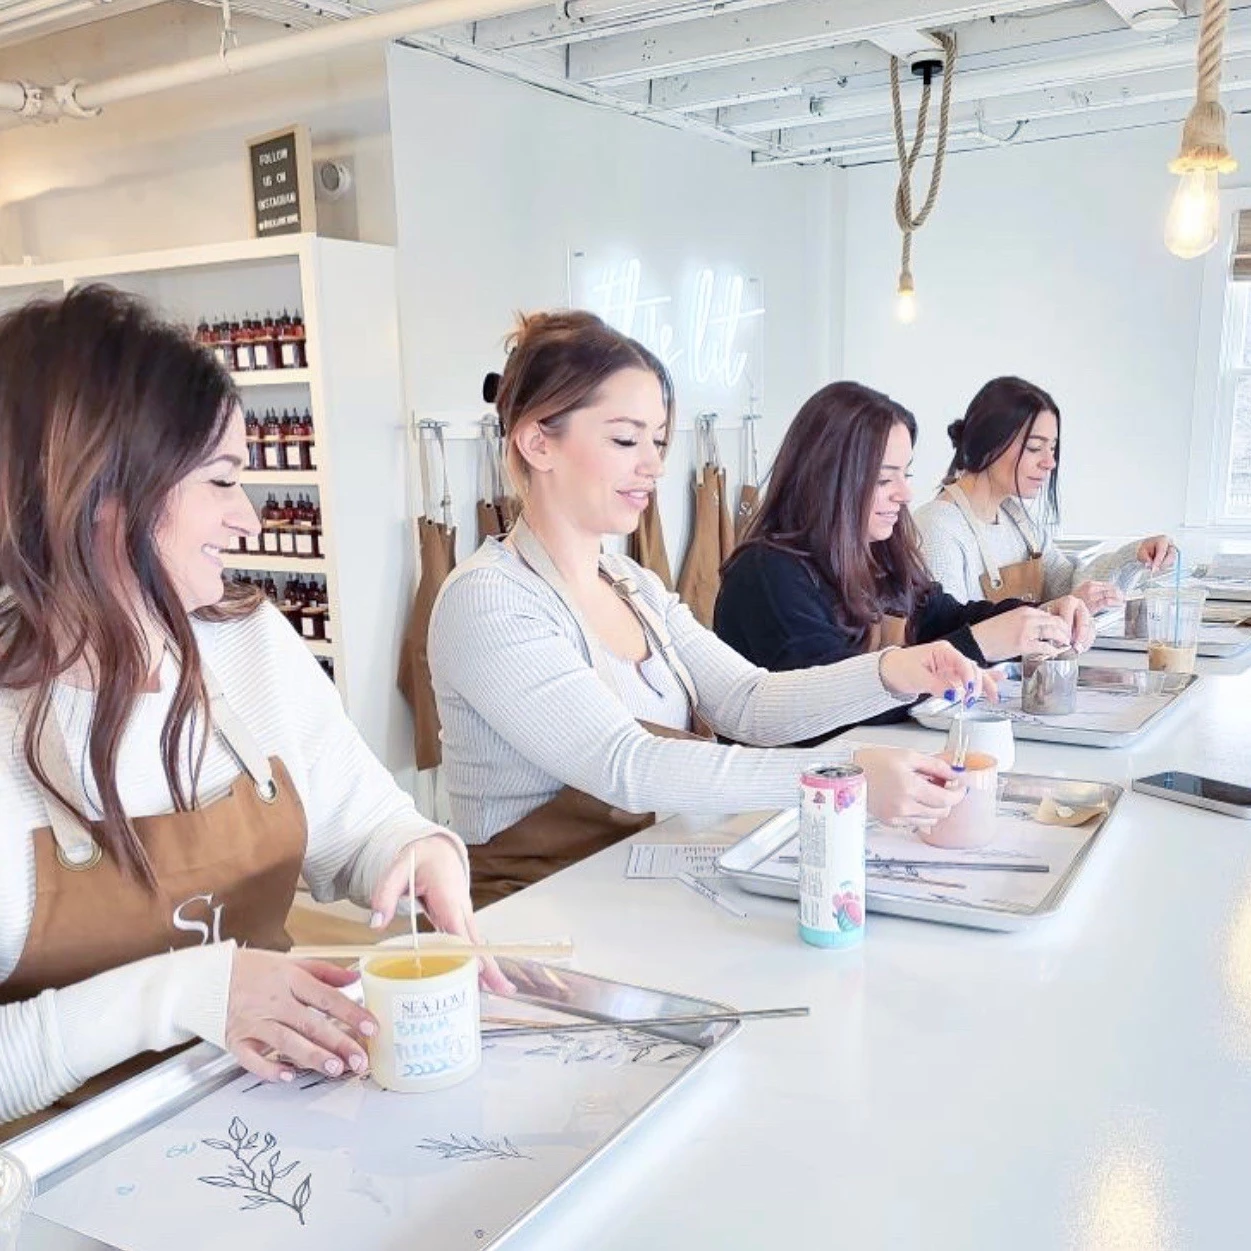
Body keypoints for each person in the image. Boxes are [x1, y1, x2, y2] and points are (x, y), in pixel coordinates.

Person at [0, 287, 500, 1134]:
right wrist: (185, 993)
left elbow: (364, 819)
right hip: (60, 1173)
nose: (248, 517)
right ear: (100, 495)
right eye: (221, 481)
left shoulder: (249, 643)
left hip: (278, 1115)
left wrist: (415, 851)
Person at [429, 311, 999, 909]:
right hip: (533, 912)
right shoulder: (489, 600)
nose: (653, 464)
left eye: (657, 440)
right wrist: (844, 773)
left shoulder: (633, 585)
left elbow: (749, 702)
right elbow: (628, 763)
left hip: (634, 890)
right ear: (537, 441)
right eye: (626, 439)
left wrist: (895, 672)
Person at [714, 382, 1094, 730]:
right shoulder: (767, 575)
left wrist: (1038, 619)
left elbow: (943, 617)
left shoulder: (879, 554)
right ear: (829, 480)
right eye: (884, 479)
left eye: (905, 475)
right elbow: (828, 708)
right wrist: (981, 644)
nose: (905, 494)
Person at [912, 376, 1174, 610]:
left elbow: (1070, 586)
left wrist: (1133, 555)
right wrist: (1054, 612)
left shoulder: (1017, 521)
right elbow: (948, 642)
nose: (1050, 463)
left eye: (1052, 448)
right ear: (990, 444)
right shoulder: (938, 528)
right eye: (1035, 448)